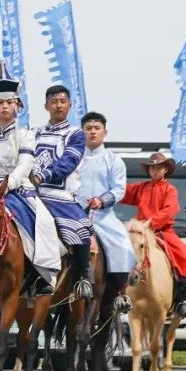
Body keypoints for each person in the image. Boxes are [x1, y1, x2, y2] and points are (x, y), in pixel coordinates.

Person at [0, 62, 61, 296]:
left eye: (9, 102)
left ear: (17, 106)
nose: (4, 107)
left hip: (15, 187)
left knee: (45, 220)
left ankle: (41, 275)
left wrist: (7, 184)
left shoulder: (25, 135)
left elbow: (25, 165)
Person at [31, 86, 94, 299]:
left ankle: (81, 278)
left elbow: (68, 162)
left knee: (82, 230)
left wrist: (43, 176)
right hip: (31, 194)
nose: (58, 105)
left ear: (69, 105)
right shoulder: (34, 132)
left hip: (60, 198)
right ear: (46, 105)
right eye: (54, 101)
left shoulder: (75, 134)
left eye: (62, 101)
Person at [75, 111, 138, 313]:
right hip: (74, 214)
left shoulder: (114, 160)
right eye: (88, 128)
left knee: (123, 244)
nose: (92, 132)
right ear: (82, 131)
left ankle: (119, 294)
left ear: (105, 132)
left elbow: (119, 189)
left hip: (103, 216)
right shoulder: (74, 158)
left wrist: (102, 200)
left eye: (96, 128)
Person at [119, 153, 186, 317]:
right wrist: (111, 185)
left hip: (162, 231)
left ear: (165, 170)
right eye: (152, 168)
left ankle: (182, 299)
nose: (155, 171)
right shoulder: (141, 187)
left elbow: (169, 210)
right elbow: (123, 192)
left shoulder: (170, 189)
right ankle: (118, 294)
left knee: (184, 254)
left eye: (158, 167)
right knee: (117, 252)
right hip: (140, 232)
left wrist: (151, 223)